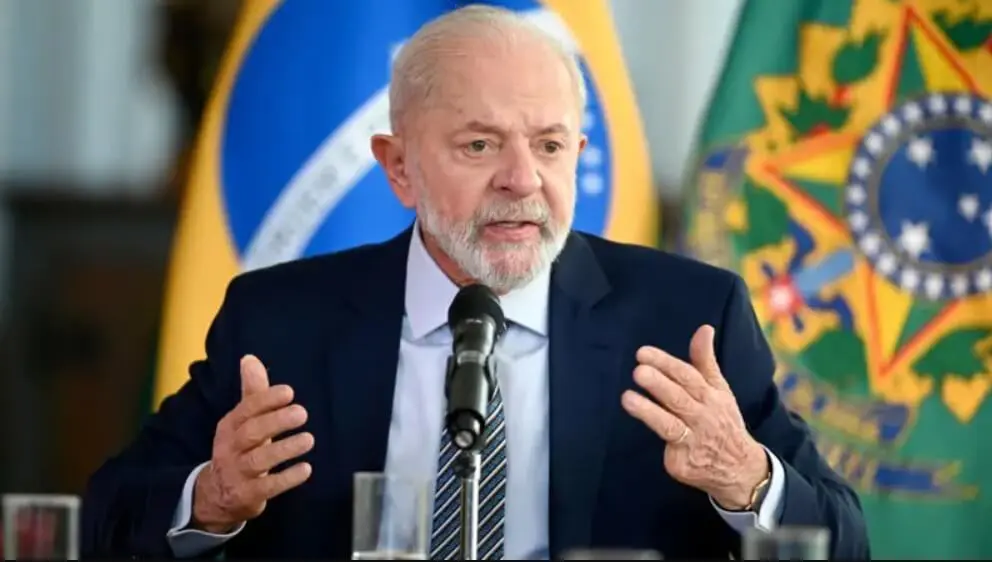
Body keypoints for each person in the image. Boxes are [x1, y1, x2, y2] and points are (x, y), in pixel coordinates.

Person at [81, 5, 870, 560]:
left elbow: (846, 540)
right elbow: (102, 520)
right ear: (399, 168)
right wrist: (209, 497)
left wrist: (746, 479)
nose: (521, 180)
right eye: (480, 144)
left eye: (552, 146)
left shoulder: (687, 319)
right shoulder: (281, 323)